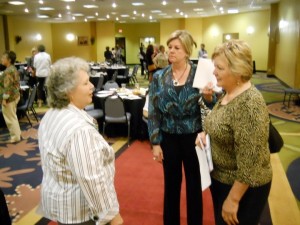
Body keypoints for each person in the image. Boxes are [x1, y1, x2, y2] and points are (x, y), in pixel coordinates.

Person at [38, 57, 123, 225]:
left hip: (61, 202)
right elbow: (91, 179)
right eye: (85, 83)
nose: (92, 86)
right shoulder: (79, 131)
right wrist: (113, 216)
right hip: (81, 213)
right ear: (67, 91)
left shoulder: (51, 114)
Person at [196, 40, 272, 225]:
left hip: (243, 189)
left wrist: (233, 199)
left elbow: (250, 164)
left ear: (237, 71)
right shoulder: (228, 92)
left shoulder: (249, 104)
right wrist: (206, 134)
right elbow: (222, 121)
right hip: (222, 180)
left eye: (219, 68)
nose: (214, 72)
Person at [148, 30, 214, 225]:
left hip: (193, 138)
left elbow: (210, 105)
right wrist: (155, 142)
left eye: (177, 48)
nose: (171, 51)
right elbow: (153, 110)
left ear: (187, 51)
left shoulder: (199, 72)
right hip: (169, 138)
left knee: (194, 186)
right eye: (170, 47)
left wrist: (209, 97)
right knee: (171, 185)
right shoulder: (159, 76)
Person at [0, 51, 21, 143]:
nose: (1, 59)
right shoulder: (13, 68)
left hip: (9, 98)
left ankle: (15, 137)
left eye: (3, 58)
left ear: (9, 60)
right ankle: (17, 134)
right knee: (13, 116)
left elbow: (7, 86)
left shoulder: (8, 71)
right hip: (14, 96)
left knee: (10, 118)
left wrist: (4, 99)